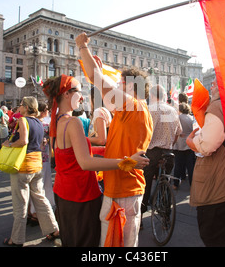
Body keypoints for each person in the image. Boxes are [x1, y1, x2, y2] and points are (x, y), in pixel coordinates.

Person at [43, 74, 149, 247]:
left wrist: (105, 150)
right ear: (67, 94)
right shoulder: (73, 122)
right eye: (78, 91)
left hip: (64, 194)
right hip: (82, 195)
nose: (83, 96)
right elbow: (85, 163)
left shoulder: (57, 121)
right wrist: (127, 162)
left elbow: (70, 154)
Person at [76, 33, 153, 247]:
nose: (117, 86)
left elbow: (97, 80)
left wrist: (82, 47)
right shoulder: (130, 110)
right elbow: (99, 81)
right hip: (122, 189)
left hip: (124, 190)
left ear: (131, 87)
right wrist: (98, 72)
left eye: (120, 83)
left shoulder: (133, 106)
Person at [186, 78, 225, 247]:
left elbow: (207, 146)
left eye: (214, 84)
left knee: (214, 235)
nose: (211, 87)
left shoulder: (217, 107)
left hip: (218, 184)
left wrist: (191, 142)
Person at [3, 96, 59, 247]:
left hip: (23, 166)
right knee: (40, 199)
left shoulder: (23, 120)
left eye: (21, 105)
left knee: (20, 204)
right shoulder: (39, 123)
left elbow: (24, 141)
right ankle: (54, 229)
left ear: (26, 107)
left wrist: (9, 144)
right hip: (37, 165)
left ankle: (16, 239)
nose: (19, 107)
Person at [141, 84, 182, 215]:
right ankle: (166, 216)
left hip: (152, 152)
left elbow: (144, 133)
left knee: (145, 184)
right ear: (164, 96)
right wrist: (169, 142)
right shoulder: (172, 110)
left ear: (152, 95)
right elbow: (178, 133)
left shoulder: (149, 109)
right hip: (169, 152)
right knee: (166, 182)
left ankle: (140, 216)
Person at [27, 102, 55, 226]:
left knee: (38, 185)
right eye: (47, 110)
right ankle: (37, 212)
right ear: (43, 111)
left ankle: (33, 211)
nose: (48, 111)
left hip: (37, 157)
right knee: (42, 184)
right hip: (42, 156)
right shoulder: (44, 124)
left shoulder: (31, 122)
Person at [173, 102, 195, 189]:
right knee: (190, 166)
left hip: (179, 145)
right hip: (189, 144)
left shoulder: (178, 117)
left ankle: (176, 183)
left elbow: (176, 130)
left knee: (178, 165)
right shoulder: (191, 118)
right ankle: (192, 184)